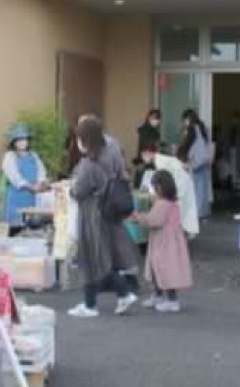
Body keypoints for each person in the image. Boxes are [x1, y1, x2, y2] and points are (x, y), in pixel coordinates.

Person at [67, 116, 139, 318]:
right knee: (105, 257)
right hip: (111, 210)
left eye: (79, 138)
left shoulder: (89, 164)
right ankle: (93, 303)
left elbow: (79, 192)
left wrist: (71, 190)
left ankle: (119, 293)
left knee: (94, 259)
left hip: (92, 214)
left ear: (85, 139)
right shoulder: (112, 149)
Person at [133, 170, 193, 312]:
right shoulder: (172, 203)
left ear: (160, 188)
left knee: (164, 270)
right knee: (158, 269)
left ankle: (171, 300)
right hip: (169, 243)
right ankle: (159, 295)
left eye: (154, 187)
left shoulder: (162, 204)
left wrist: (138, 218)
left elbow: (154, 220)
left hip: (164, 244)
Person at [139, 144, 200, 238]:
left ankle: (179, 235)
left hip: (180, 185)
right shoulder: (161, 159)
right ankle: (181, 234)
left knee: (181, 211)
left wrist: (157, 194)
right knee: (184, 212)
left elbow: (163, 179)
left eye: (143, 155)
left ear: (148, 153)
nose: (143, 158)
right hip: (183, 183)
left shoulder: (159, 160)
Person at [0, 124, 48, 237]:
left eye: (25, 139)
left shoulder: (34, 155)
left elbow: (42, 172)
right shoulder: (10, 157)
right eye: (19, 139)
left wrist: (40, 183)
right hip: (15, 199)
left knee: (31, 230)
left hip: (32, 198)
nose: (23, 142)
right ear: (14, 142)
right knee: (13, 232)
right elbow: (15, 178)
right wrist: (31, 187)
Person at [178, 109, 212, 220]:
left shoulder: (192, 129)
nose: (184, 122)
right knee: (202, 191)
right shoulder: (202, 128)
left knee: (193, 191)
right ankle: (201, 214)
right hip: (203, 162)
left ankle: (194, 216)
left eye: (184, 120)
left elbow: (186, 146)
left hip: (195, 163)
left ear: (188, 119)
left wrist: (181, 156)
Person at [135, 108, 162, 173]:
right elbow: (141, 146)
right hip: (144, 160)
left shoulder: (156, 133)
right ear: (148, 117)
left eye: (157, 118)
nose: (156, 120)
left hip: (153, 160)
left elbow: (157, 146)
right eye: (154, 118)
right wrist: (140, 162)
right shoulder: (143, 130)